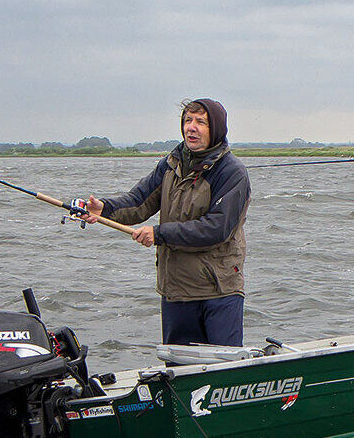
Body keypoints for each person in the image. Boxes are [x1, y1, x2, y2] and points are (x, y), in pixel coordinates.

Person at [76, 99, 251, 346]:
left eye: (201, 122)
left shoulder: (232, 172)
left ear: (216, 129)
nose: (191, 127)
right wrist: (104, 208)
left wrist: (159, 234)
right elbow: (139, 200)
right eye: (187, 120)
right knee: (178, 373)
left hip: (219, 292)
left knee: (223, 370)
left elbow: (216, 228)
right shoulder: (172, 163)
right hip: (176, 291)